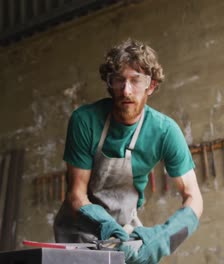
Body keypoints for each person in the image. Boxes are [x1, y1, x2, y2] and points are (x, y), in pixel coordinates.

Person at [53, 39, 203, 264]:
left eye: (136, 81)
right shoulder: (85, 121)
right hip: (79, 231)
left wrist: (161, 239)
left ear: (150, 86)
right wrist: (105, 227)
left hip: (127, 231)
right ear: (109, 83)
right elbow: (76, 195)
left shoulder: (164, 131)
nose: (126, 90)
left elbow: (194, 197)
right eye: (118, 81)